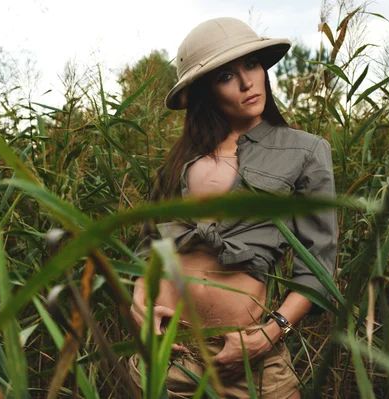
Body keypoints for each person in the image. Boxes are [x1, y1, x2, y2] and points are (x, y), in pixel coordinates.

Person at [127, 17, 338, 399]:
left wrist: (271, 335)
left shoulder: (306, 151)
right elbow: (150, 248)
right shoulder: (178, 161)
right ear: (205, 91)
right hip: (167, 358)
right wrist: (140, 303)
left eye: (252, 65)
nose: (246, 83)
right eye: (226, 76)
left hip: (251, 363)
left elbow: (318, 269)